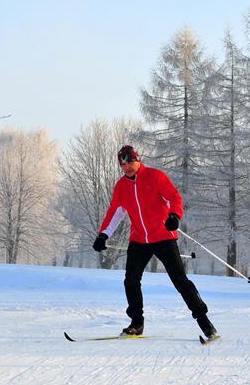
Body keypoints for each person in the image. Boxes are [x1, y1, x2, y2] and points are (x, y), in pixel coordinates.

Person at [92, 145, 217, 339]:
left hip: (163, 237)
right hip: (139, 239)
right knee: (131, 280)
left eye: (130, 162)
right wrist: (103, 235)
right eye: (123, 164)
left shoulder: (155, 177)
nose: (127, 167)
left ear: (138, 160)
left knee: (179, 280)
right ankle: (136, 323)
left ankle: (205, 322)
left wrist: (174, 216)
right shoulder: (121, 187)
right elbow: (116, 212)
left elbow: (174, 197)